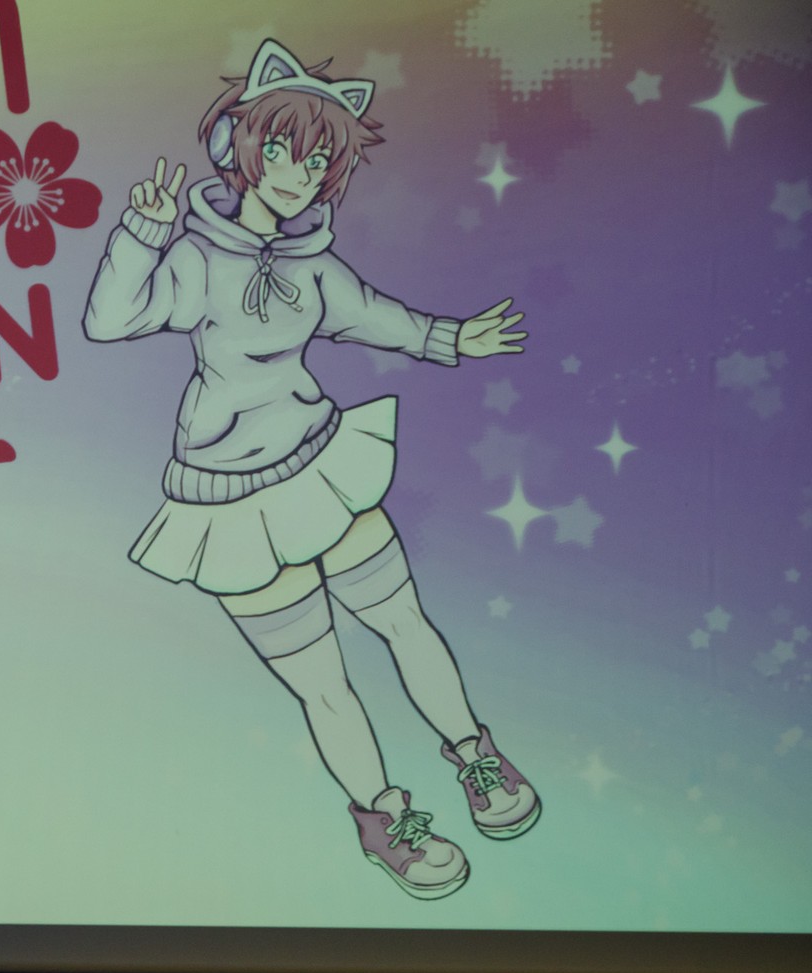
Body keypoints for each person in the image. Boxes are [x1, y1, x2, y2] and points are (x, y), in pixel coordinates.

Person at [82, 39, 540, 900]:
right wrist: (141, 234)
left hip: (320, 469)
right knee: (323, 683)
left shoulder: (313, 265)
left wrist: (452, 339)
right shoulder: (196, 259)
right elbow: (111, 321)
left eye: (319, 158)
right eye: (284, 149)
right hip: (225, 504)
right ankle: (386, 820)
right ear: (240, 146)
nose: (300, 173)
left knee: (403, 623)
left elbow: (378, 317)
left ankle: (476, 758)